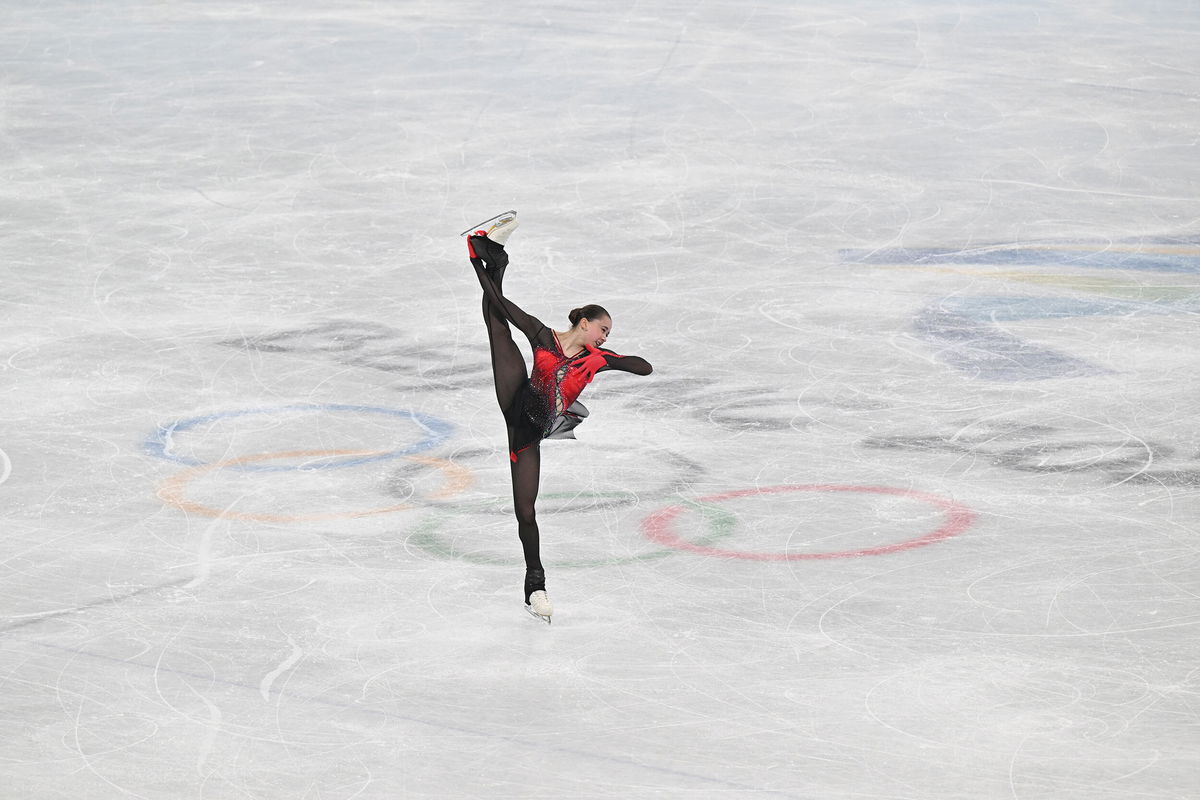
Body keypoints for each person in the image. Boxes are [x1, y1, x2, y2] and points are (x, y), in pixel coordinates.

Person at [466, 215, 653, 623]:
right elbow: (503, 308)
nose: (605, 336)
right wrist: (477, 268)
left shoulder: (597, 358)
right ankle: (492, 258)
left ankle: (534, 585)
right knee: (498, 328)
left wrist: (612, 358)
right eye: (602, 329)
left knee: (527, 512)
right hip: (517, 401)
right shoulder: (544, 337)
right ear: (583, 323)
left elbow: (645, 368)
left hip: (530, 431)